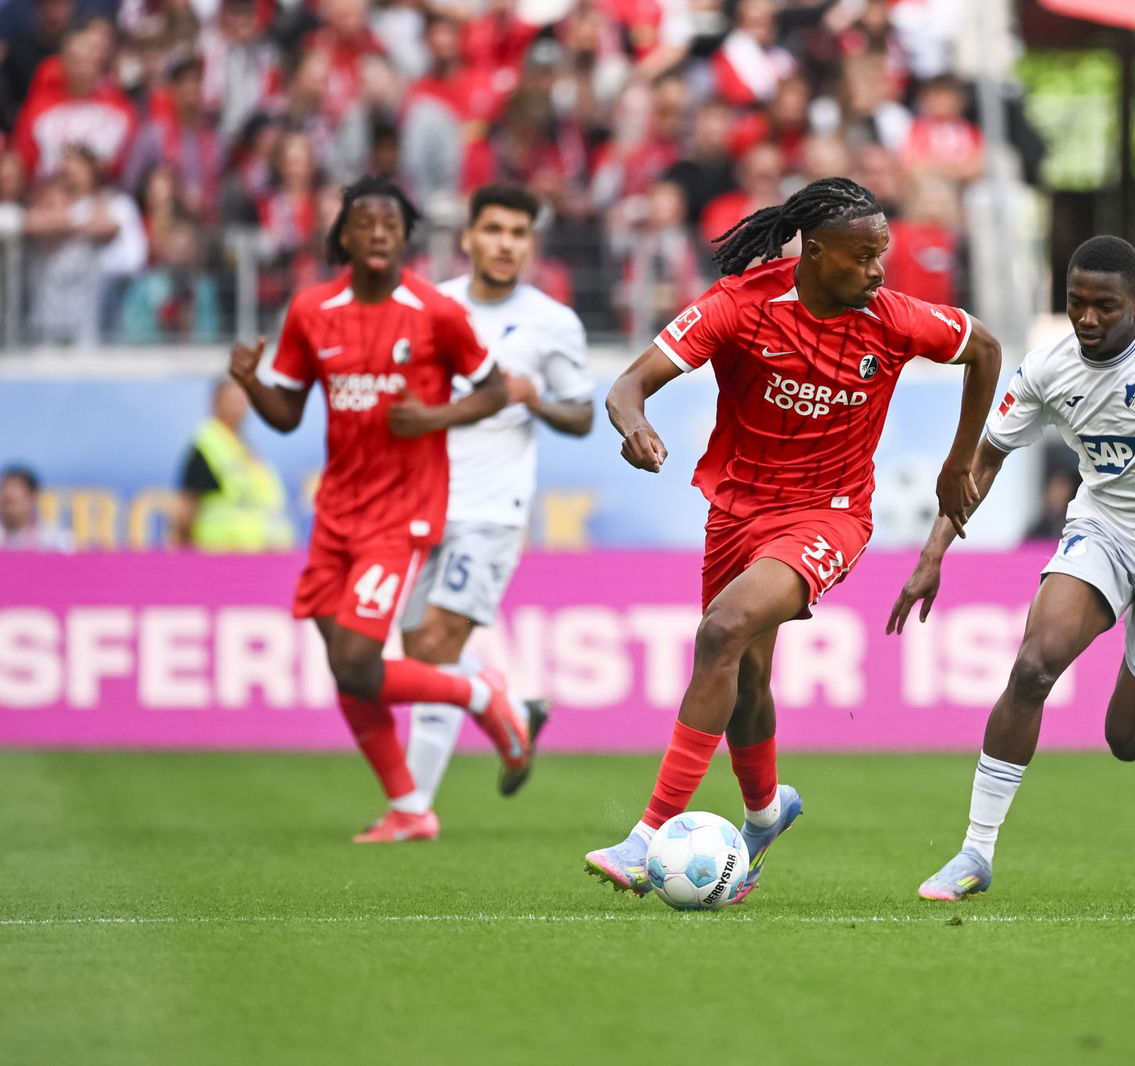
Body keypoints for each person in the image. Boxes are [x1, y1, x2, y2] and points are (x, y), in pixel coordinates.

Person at [585, 176, 1001, 901]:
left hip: (830, 512)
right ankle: (765, 811)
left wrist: (960, 458)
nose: (877, 270)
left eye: (883, 254)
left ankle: (648, 835)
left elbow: (985, 351)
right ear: (811, 252)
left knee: (722, 630)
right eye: (862, 256)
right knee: (744, 676)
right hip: (736, 509)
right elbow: (627, 386)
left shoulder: (895, 318)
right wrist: (635, 427)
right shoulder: (740, 308)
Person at [887, 236, 1135, 901]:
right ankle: (975, 852)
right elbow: (983, 460)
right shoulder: (1047, 368)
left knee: (1125, 740)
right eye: (1076, 303)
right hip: (1103, 533)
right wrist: (934, 552)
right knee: (1032, 665)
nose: (1088, 319)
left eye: (1105, 306)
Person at [229, 175, 529, 844]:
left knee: (360, 662)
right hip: (336, 510)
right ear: (344, 234)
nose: (378, 234)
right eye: (366, 223)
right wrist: (252, 385)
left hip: (403, 511)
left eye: (391, 226)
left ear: (406, 238)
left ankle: (481, 695)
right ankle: (410, 809)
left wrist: (435, 416)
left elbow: (495, 390)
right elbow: (286, 416)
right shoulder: (311, 310)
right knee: (345, 667)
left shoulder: (435, 313)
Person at [399, 183, 595, 814]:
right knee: (416, 651)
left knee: (435, 648)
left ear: (530, 244)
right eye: (494, 231)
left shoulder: (552, 322)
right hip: (422, 501)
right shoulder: (430, 306)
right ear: (468, 237)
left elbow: (583, 415)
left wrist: (533, 397)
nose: (506, 244)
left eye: (518, 233)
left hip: (492, 509)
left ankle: (413, 807)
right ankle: (509, 709)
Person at [171, 377, 293, 551]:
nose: (239, 405)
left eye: (243, 399)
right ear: (216, 402)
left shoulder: (244, 447)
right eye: (233, 399)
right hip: (222, 557)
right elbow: (186, 511)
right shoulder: (206, 448)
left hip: (259, 555)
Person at [0, 465, 74, 551]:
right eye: (7, 502)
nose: (9, 494)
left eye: (14, 501)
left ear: (33, 497)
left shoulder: (52, 537)